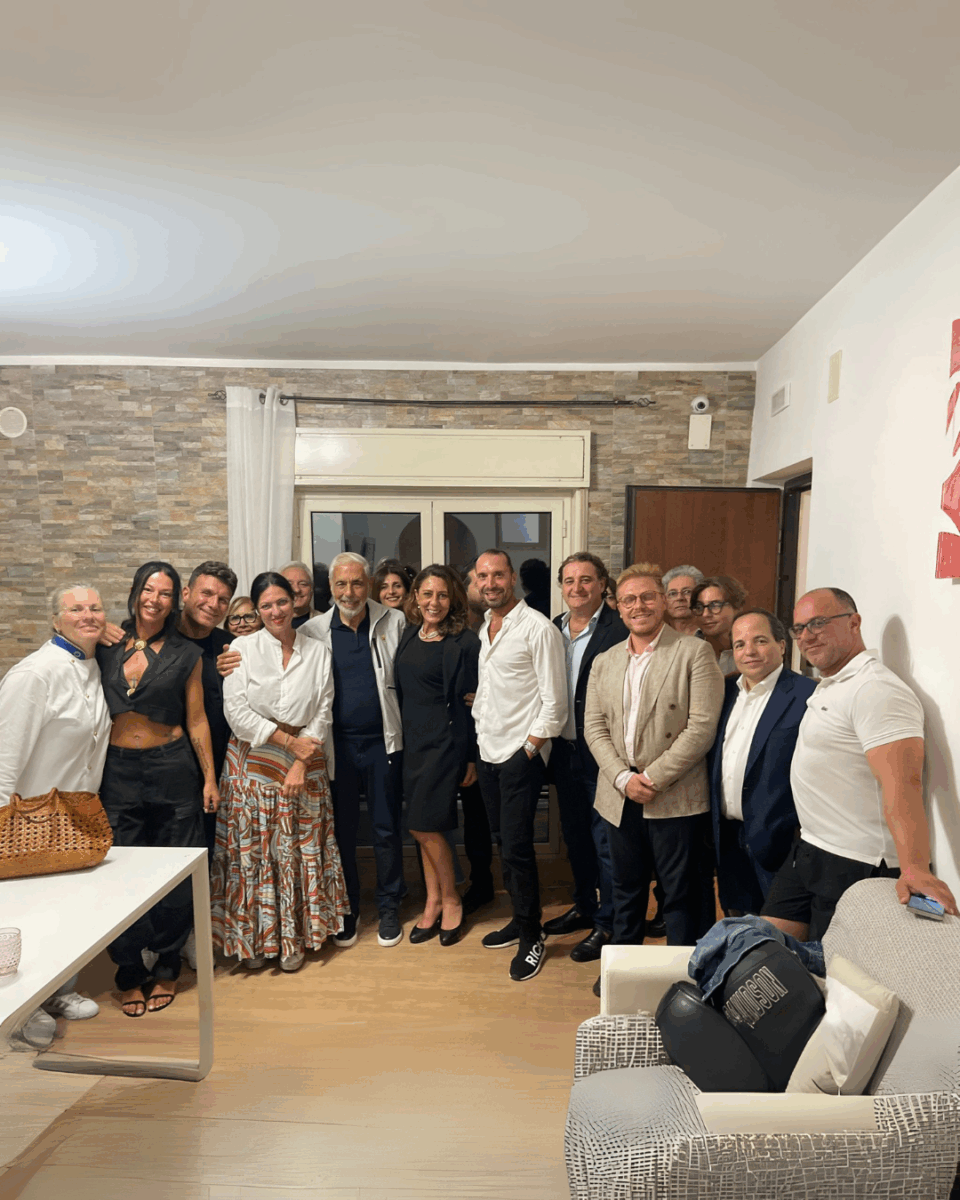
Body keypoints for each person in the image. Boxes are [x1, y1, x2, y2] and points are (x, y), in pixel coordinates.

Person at [760, 587, 958, 941]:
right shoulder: (832, 683)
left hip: (855, 863)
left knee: (833, 967)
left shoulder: (876, 689)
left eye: (818, 623)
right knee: (767, 949)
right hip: (810, 846)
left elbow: (904, 783)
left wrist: (915, 868)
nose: (806, 636)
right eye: (799, 628)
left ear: (854, 623)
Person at [584, 562, 724, 995]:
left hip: (674, 795)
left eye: (647, 596)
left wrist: (652, 777)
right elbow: (594, 726)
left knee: (679, 894)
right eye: (629, 599)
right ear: (618, 607)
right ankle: (624, 973)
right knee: (624, 890)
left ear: (663, 601)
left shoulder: (693, 653)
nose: (638, 606)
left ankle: (680, 979)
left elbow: (701, 727)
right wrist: (622, 778)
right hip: (619, 796)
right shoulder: (605, 660)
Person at [96, 562, 219, 1017]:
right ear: (135, 592)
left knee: (175, 869)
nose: (155, 599)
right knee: (119, 870)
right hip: (118, 772)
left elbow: (197, 719)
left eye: (165, 593)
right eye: (149, 590)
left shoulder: (187, 653)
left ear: (175, 601)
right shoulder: (107, 643)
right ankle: (129, 968)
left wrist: (209, 778)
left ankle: (168, 962)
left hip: (172, 767)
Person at [212, 571, 347, 970]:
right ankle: (254, 940)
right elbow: (237, 712)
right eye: (266, 606)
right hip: (253, 761)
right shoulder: (242, 648)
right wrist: (289, 745)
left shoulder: (318, 650)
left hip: (306, 759)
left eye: (282, 602)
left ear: (295, 601)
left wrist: (301, 761)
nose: (276, 612)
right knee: (254, 853)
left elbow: (323, 710)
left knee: (297, 851)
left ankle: (294, 940)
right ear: (257, 610)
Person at [0, 585, 110, 1049]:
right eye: (75, 609)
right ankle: (20, 1011)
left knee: (68, 912)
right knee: (28, 916)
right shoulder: (34, 674)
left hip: (76, 817)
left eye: (95, 608)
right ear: (55, 620)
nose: (87, 615)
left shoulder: (93, 665)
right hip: (29, 817)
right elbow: (4, 758)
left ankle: (59, 990)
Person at [302, 553, 407, 947]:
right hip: (336, 749)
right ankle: (348, 908)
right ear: (330, 588)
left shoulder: (394, 621)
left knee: (386, 828)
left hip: (383, 744)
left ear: (369, 585)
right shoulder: (312, 631)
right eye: (341, 584)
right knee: (341, 831)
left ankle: (390, 905)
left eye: (357, 583)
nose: (350, 592)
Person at [472, 549, 567, 982]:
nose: (490, 583)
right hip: (488, 752)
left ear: (512, 578)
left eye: (498, 575)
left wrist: (528, 750)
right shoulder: (485, 627)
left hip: (519, 757)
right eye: (483, 576)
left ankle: (532, 935)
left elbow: (555, 702)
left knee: (517, 848)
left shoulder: (538, 628)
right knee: (502, 844)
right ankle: (519, 918)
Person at [543, 553, 627, 964]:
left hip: (603, 752)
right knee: (575, 836)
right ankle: (584, 906)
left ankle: (608, 922)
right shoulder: (551, 629)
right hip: (563, 751)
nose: (577, 588)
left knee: (606, 842)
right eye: (569, 580)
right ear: (561, 586)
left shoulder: (619, 628)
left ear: (602, 585)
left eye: (586, 580)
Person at [706, 609, 816, 916]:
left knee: (782, 929)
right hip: (727, 837)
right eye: (740, 644)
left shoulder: (807, 695)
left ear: (782, 645)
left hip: (781, 840)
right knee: (739, 923)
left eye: (760, 641)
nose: (749, 651)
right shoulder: (723, 693)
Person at [395, 565, 480, 946]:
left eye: (442, 595)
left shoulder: (465, 642)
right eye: (427, 594)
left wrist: (471, 756)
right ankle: (433, 900)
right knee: (424, 826)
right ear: (415, 596)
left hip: (445, 745)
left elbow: (477, 702)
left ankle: (451, 898)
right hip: (412, 745)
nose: (434, 602)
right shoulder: (409, 634)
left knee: (424, 826)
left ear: (453, 599)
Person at [179, 561, 238, 854]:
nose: (213, 604)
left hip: (217, 767)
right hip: (169, 767)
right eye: (206, 593)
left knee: (210, 852)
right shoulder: (158, 638)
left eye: (223, 599)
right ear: (186, 593)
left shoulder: (231, 647)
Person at [457, 562, 495, 914]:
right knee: (469, 818)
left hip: (490, 738)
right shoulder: (457, 630)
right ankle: (471, 880)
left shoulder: (496, 625)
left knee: (483, 818)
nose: (485, 586)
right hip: (455, 736)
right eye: (477, 580)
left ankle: (486, 881)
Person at [690, 575, 747, 676]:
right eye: (699, 607)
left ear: (737, 607)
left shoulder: (751, 651)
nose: (705, 614)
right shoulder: (687, 651)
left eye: (715, 605)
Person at [662, 565, 704, 636]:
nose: (679, 598)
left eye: (687, 592)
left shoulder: (713, 635)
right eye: (672, 593)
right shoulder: (658, 637)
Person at [281, 561, 315, 629]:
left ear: (311, 589)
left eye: (303, 584)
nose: (296, 590)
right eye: (289, 584)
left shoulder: (326, 623)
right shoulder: (265, 624)